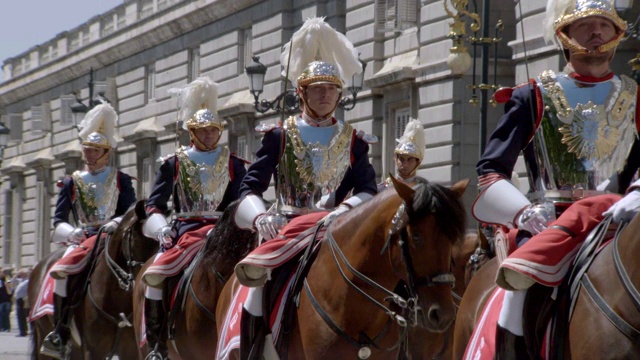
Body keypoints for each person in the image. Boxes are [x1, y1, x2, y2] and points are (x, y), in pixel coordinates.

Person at [470, 0, 639, 358]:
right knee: (518, 290)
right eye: (586, 25)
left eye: (604, 25)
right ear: (564, 35)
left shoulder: (637, 98)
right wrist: (523, 214)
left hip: (619, 218)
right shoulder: (532, 95)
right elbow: (490, 171)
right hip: (551, 221)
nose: (596, 32)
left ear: (617, 34)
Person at [231, 17, 377, 358]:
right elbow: (250, 187)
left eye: (332, 89)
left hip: (337, 228)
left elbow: (368, 189)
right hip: (288, 227)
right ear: (302, 92)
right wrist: (259, 218)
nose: (325, 95)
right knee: (256, 286)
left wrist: (343, 211)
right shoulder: (280, 135)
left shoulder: (353, 139)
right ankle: (252, 350)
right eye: (317, 89)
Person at [140, 76, 247, 360]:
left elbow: (239, 202)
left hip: (224, 232)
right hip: (184, 230)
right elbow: (154, 206)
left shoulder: (234, 164)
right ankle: (157, 345)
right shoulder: (174, 163)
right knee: (155, 275)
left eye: (214, 130)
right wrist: (162, 229)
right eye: (204, 130)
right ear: (192, 132)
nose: (210, 135)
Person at [41, 103, 137, 359]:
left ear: (107, 153)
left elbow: (130, 212)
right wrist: (71, 232)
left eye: (95, 150)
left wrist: (115, 224)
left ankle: (149, 327)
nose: (89, 155)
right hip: (83, 237)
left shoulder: (121, 179)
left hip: (114, 235)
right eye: (86, 149)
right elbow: (58, 219)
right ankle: (60, 330)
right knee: (61, 271)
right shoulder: (72, 181)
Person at [378, 118, 426, 190]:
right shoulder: (382, 189)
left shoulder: (424, 190)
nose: (405, 164)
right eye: (401, 159)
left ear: (417, 162)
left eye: (410, 159)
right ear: (396, 159)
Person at [12, 269, 29, 337]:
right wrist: (16, 275)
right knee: (20, 315)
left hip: (23, 299)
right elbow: (12, 281)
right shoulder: (21, 280)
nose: (20, 275)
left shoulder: (28, 280)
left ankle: (23, 331)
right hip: (18, 299)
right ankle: (22, 330)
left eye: (22, 273)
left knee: (21, 315)